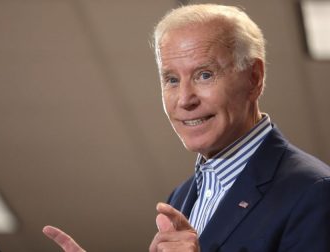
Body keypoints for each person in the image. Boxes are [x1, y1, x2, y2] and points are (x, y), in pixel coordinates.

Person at [43, 4, 330, 252]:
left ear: (254, 78)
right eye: (170, 79)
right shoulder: (179, 198)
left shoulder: (314, 191)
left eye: (204, 75)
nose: (184, 99)